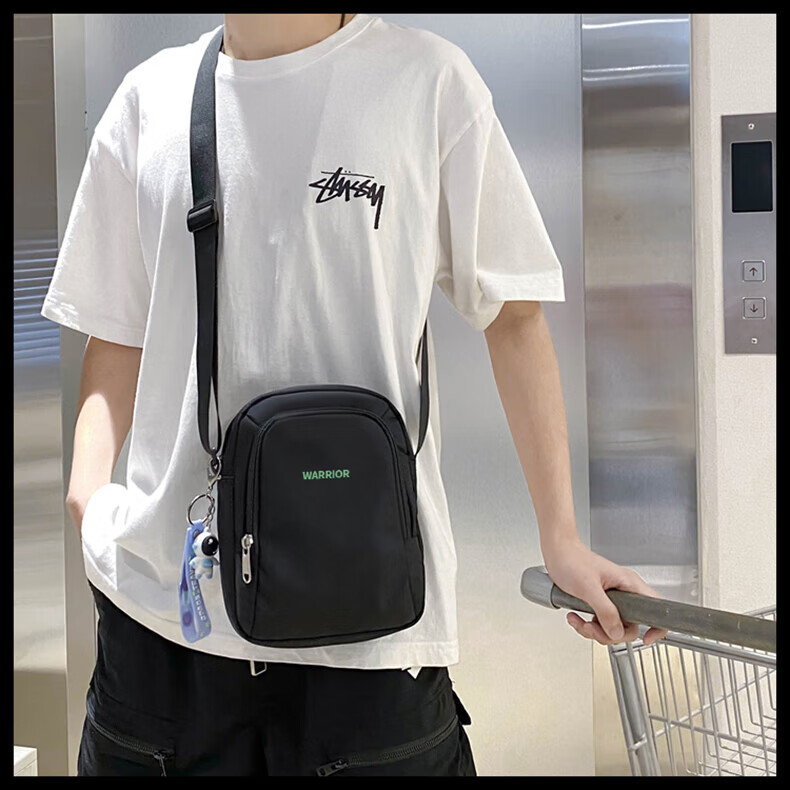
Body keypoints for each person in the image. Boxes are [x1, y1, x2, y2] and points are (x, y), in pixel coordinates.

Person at [41, 13, 667, 777]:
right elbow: (115, 327)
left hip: (370, 632)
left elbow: (513, 315)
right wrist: (88, 492)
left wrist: (561, 537)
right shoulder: (149, 98)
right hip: (162, 634)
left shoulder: (428, 82)